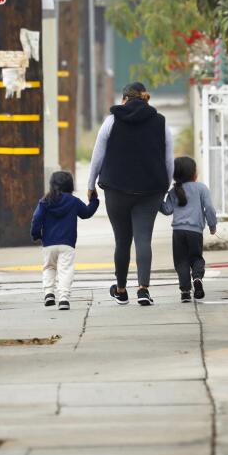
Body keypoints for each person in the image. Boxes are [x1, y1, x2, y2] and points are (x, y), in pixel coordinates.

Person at [88, 82, 174, 306]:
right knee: (144, 239)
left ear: (124, 99)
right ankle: (143, 289)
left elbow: (97, 157)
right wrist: (165, 186)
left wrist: (91, 185)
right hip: (150, 190)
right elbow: (168, 160)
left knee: (122, 241)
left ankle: (121, 289)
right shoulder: (160, 122)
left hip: (117, 189)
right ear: (145, 98)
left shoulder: (111, 121)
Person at [31, 171, 99, 310]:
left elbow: (36, 219)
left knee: (49, 267)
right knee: (65, 270)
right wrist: (94, 201)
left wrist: (36, 234)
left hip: (49, 243)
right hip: (67, 243)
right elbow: (86, 213)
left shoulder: (45, 201)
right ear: (70, 185)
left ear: (51, 184)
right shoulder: (73, 201)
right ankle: (63, 299)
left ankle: (49, 293)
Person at [159, 157, 217, 303]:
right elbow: (209, 208)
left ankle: (185, 292)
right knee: (196, 257)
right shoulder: (201, 188)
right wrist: (212, 225)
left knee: (181, 261)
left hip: (178, 232)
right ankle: (197, 278)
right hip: (195, 231)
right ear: (193, 173)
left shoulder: (173, 191)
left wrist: (158, 199)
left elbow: (167, 210)